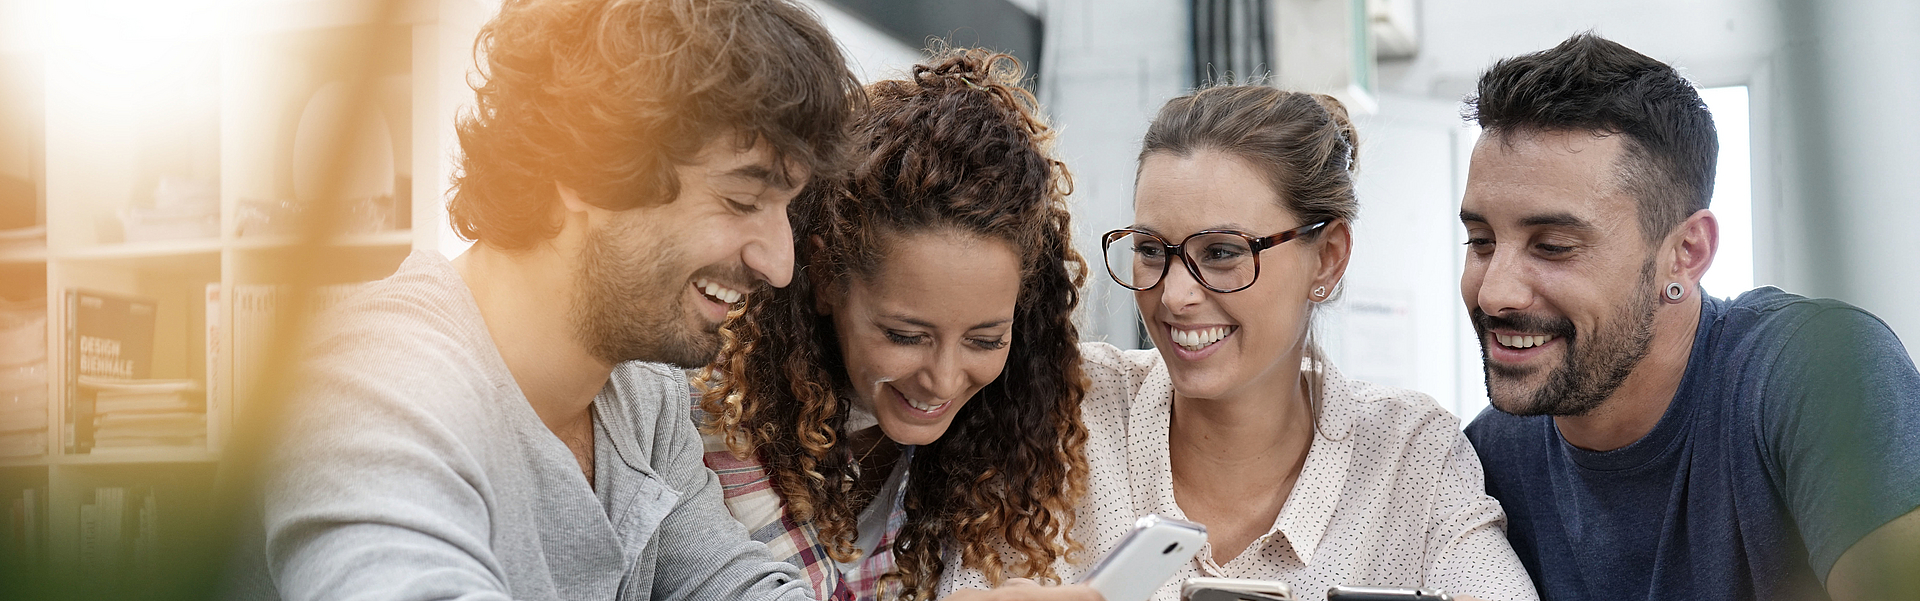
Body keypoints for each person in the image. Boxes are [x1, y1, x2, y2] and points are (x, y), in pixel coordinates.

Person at [257, 0, 861, 599]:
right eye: (740, 201)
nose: (781, 267)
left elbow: (730, 585)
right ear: (590, 166)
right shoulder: (374, 385)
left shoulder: (643, 393)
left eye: (786, 208)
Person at [945, 84, 1539, 601]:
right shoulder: (1059, 409)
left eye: (1223, 254)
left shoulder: (1410, 454)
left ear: (1327, 257)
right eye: (1152, 250)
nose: (1175, 295)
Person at [1457, 33, 1920, 601]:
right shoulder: (1486, 457)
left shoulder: (1818, 374)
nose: (1494, 292)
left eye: (1553, 246)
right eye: (1480, 241)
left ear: (1686, 253)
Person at [696, 48, 1092, 601]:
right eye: (907, 336)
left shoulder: (985, 448)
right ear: (827, 278)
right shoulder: (709, 423)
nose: (944, 379)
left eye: (985, 339)